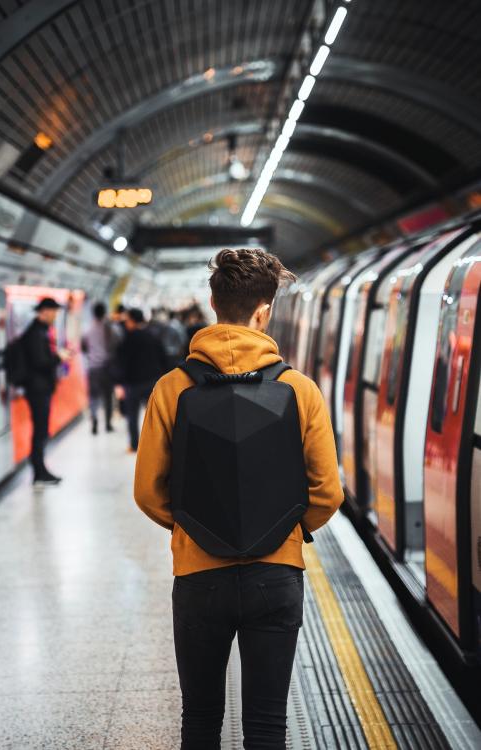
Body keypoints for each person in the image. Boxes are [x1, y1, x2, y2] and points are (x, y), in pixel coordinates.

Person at [134, 248, 344, 749]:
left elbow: (147, 490)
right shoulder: (300, 389)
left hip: (198, 577)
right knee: (268, 725)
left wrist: (191, 526)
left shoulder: (172, 388)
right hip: (276, 575)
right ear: (264, 310)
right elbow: (327, 491)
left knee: (201, 719)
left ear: (212, 302)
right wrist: (289, 529)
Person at [23, 297, 70, 486]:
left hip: (39, 388)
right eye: (54, 312)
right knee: (40, 430)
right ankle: (39, 471)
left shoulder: (39, 331)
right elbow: (40, 362)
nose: (55, 316)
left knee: (41, 430)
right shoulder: (36, 334)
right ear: (44, 311)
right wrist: (58, 357)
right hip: (37, 389)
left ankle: (40, 469)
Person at [115, 308, 168, 452]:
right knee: (154, 415)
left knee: (132, 415)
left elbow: (122, 362)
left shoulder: (128, 339)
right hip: (152, 381)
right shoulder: (153, 336)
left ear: (132, 321)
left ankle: (134, 445)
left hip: (133, 384)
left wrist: (119, 383)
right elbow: (163, 358)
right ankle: (159, 445)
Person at [81, 302, 116, 435]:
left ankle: (94, 419)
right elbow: (116, 344)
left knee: (93, 396)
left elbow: (83, 347)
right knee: (108, 396)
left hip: (93, 368)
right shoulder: (109, 329)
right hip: (107, 367)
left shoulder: (87, 329)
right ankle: (108, 423)